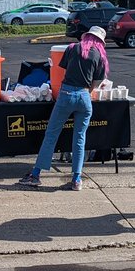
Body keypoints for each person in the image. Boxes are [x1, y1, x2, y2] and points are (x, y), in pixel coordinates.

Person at [17, 25, 109, 191]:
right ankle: (76, 179)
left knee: (51, 134)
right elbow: (97, 82)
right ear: (100, 41)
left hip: (66, 94)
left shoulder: (73, 48)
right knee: (79, 138)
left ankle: (36, 174)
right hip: (84, 97)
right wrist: (87, 91)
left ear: (86, 36)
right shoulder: (100, 56)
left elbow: (65, 70)